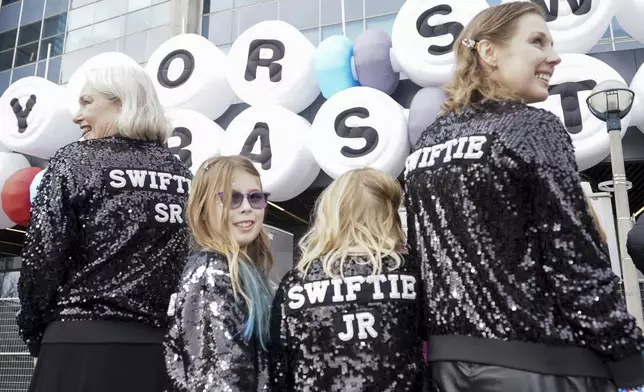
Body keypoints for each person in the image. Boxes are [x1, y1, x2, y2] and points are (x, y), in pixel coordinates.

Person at [403, 3, 644, 392]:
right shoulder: (532, 128)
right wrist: (628, 354)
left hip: (448, 367)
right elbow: (573, 255)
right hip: (543, 364)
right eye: (536, 41)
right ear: (488, 52)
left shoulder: (426, 144)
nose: (554, 57)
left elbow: (422, 263)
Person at [17, 65, 192, 392]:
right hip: (159, 353)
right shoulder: (183, 175)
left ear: (121, 104)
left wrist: (35, 333)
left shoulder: (75, 160)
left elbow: (42, 257)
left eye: (87, 102)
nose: (77, 115)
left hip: (78, 344)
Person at [269, 168, 424, 391]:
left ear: (330, 216)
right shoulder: (410, 273)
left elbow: (278, 367)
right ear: (389, 218)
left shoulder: (295, 283)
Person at [164, 155, 274, 392]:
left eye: (255, 198)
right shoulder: (211, 276)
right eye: (232, 198)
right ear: (203, 207)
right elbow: (220, 378)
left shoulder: (240, 270)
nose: (246, 207)